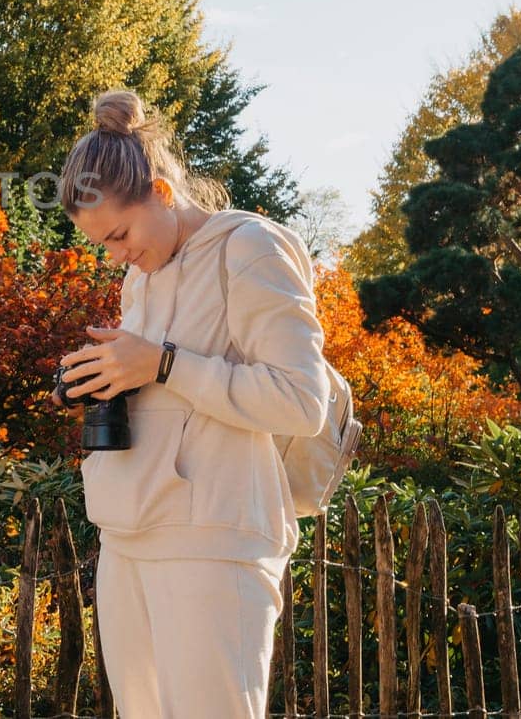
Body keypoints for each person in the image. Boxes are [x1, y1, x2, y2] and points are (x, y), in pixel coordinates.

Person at [51, 89, 330, 719]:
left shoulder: (251, 247)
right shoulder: (140, 276)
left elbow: (301, 401)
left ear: (162, 192)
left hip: (215, 538)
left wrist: (163, 363)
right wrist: (105, 376)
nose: (117, 255)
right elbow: (163, 386)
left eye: (120, 233)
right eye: (104, 245)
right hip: (126, 531)